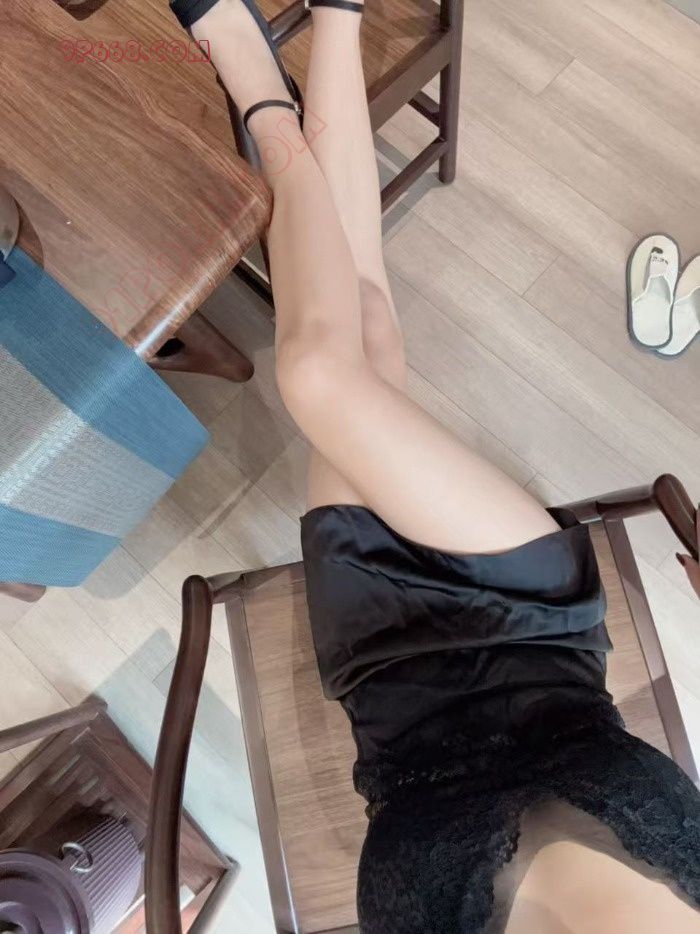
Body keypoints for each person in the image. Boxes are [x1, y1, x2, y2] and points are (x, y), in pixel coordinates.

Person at [170, 0, 700, 929]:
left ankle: (323, 38)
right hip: (534, 635)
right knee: (322, 375)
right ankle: (263, 100)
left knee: (365, 327)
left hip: (391, 678)